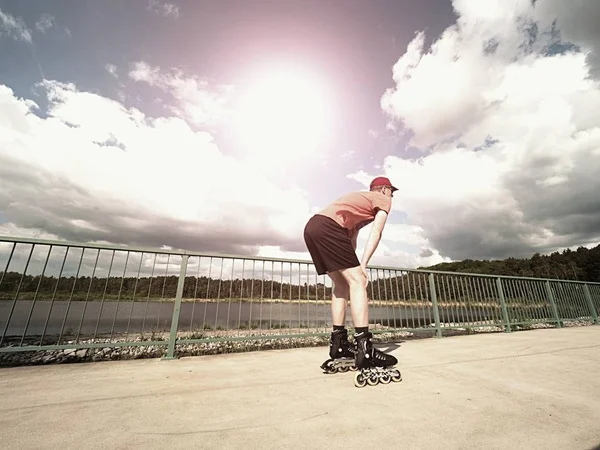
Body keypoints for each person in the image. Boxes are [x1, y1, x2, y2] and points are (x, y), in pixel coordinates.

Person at [303, 176, 399, 375]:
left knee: (342, 284)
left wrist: (354, 266)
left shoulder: (357, 206)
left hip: (313, 227)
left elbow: (350, 241)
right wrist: (362, 266)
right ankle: (365, 349)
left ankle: (338, 345)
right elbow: (377, 232)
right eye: (391, 191)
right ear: (383, 190)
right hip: (329, 228)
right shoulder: (382, 199)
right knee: (359, 281)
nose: (392, 195)